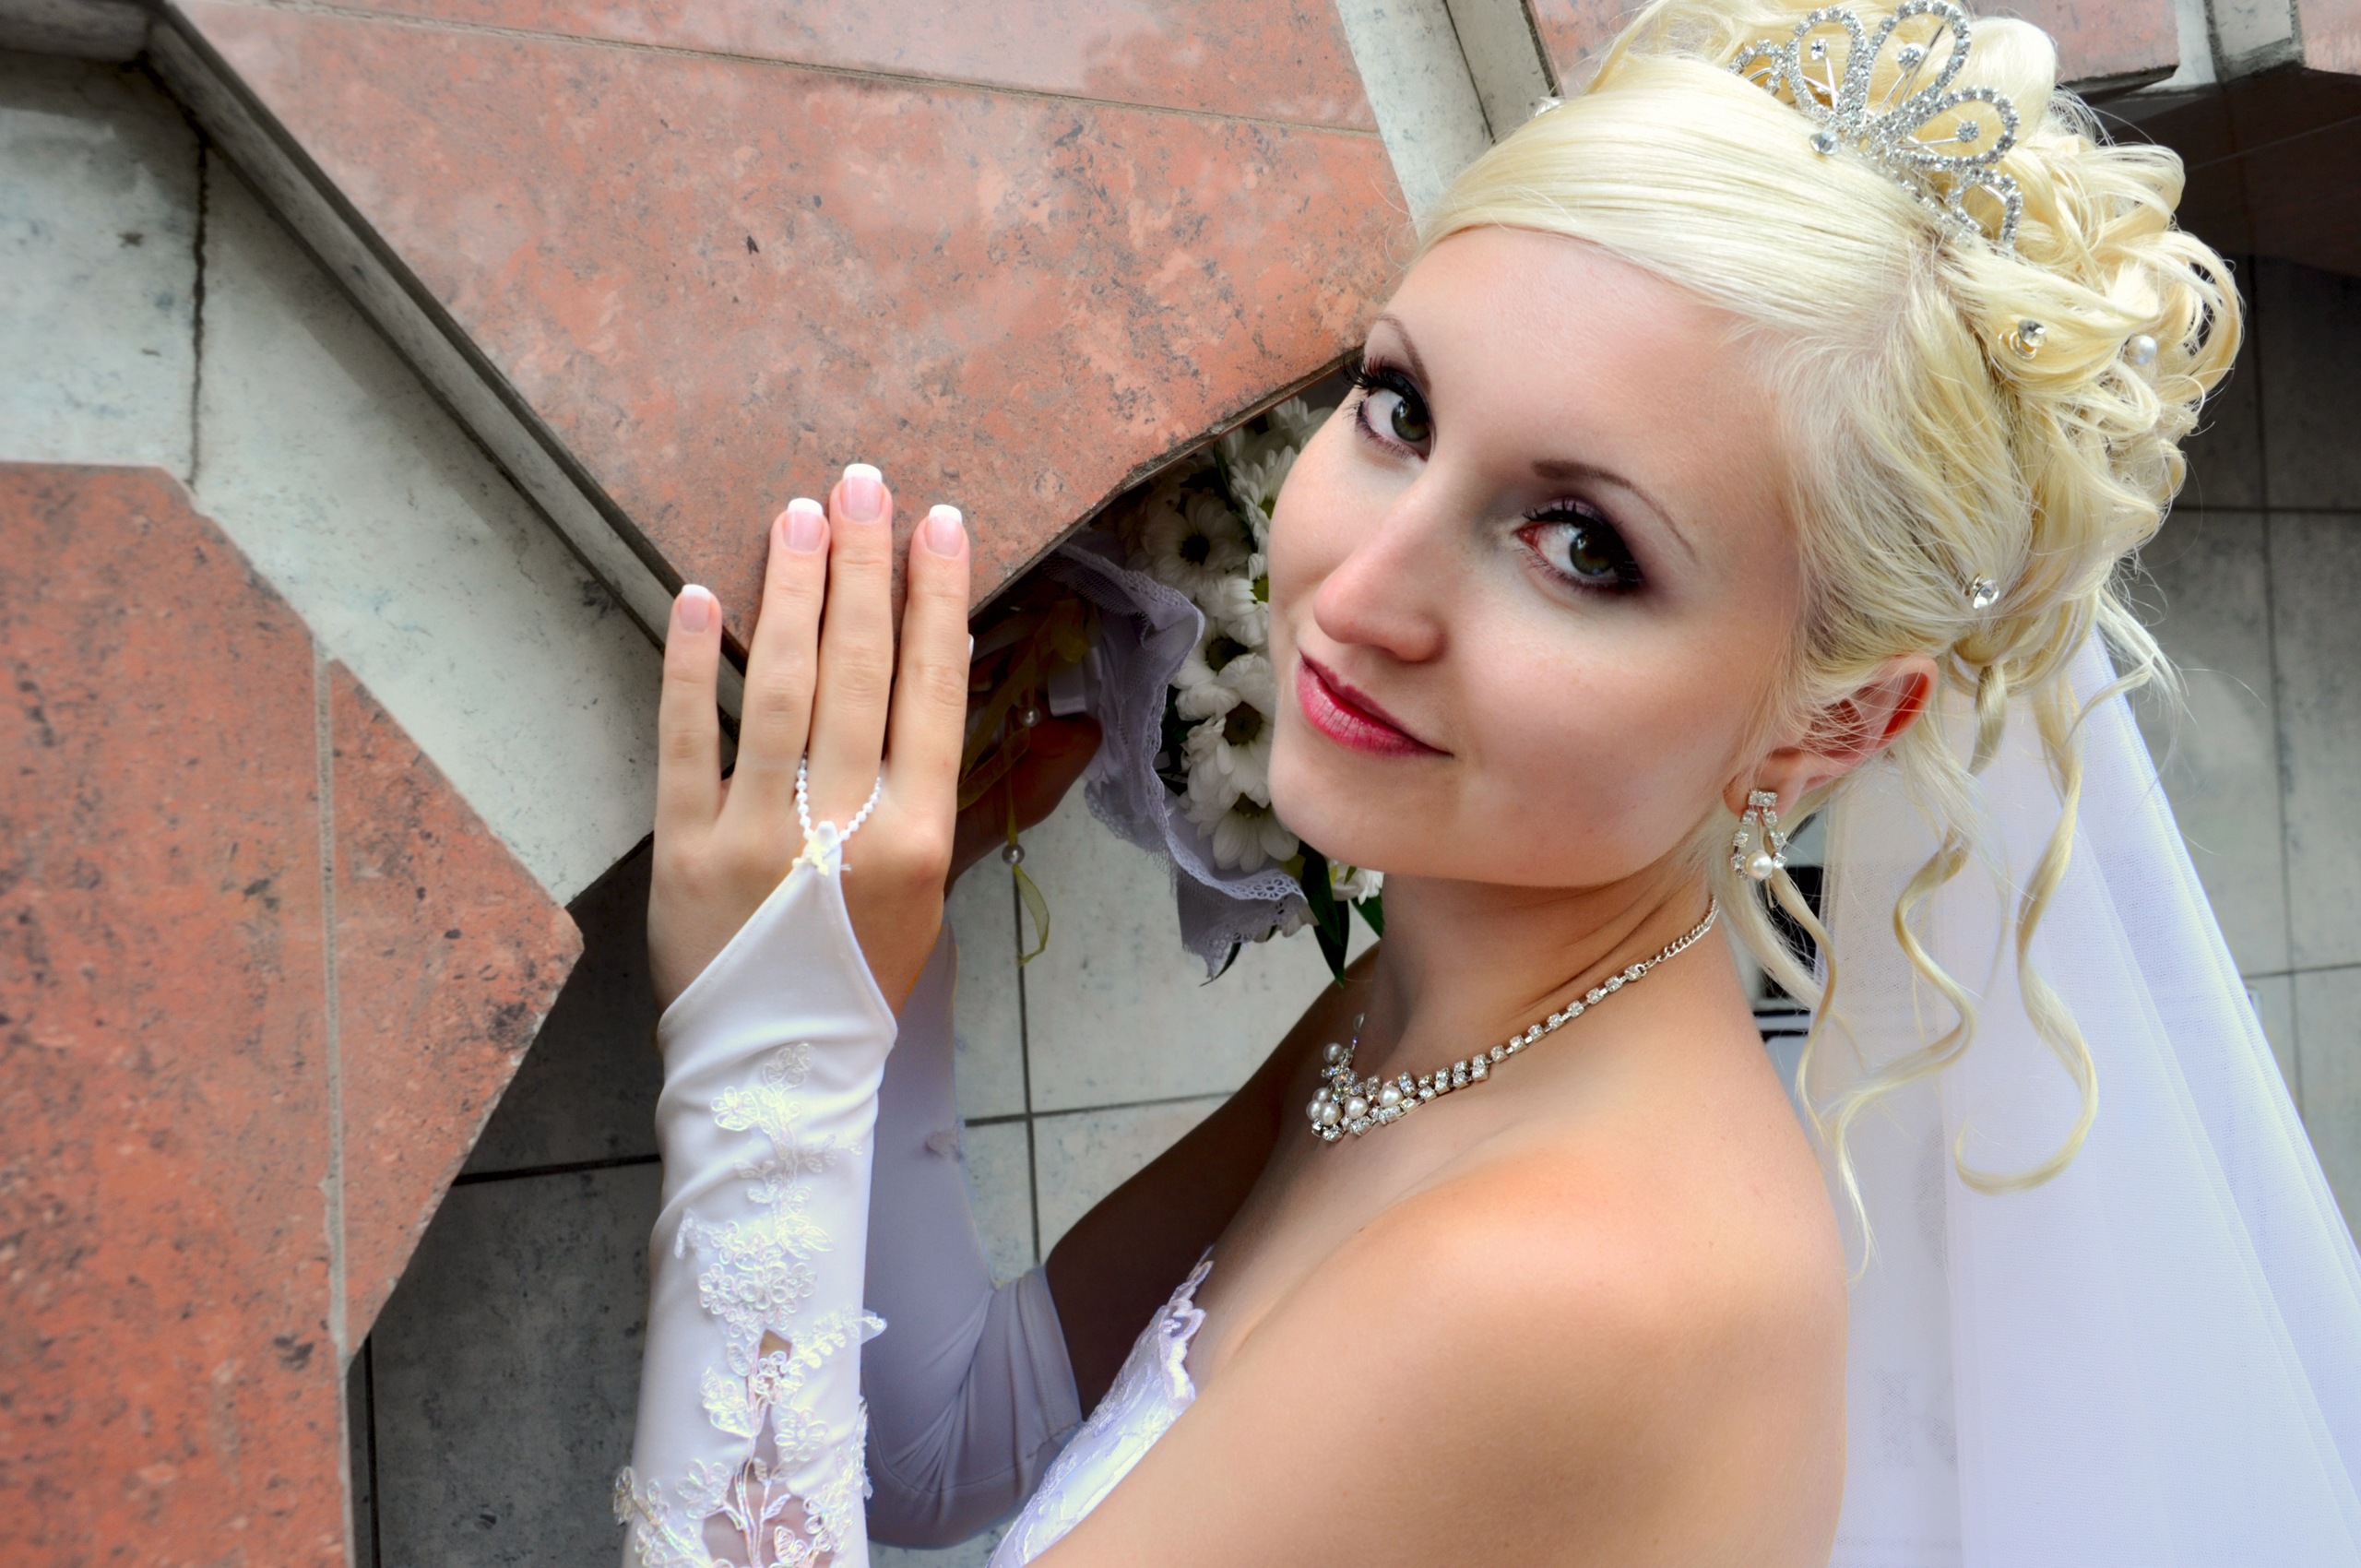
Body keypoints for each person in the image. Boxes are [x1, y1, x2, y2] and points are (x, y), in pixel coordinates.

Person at [614, 4, 2361, 1565]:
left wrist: (776, 1058)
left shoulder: (1568, 1275)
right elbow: (950, 1441)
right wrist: (877, 932)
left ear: (1830, 731)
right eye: (1399, 410)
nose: (1358, 595)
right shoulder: (1442, 1025)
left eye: (1583, 545)